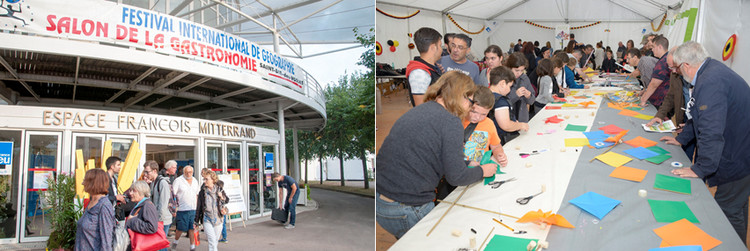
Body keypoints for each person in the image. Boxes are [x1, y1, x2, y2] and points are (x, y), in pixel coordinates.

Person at [376, 71, 498, 239]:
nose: (470, 108)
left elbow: (429, 153)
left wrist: (464, 160)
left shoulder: (421, 110)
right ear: (461, 96)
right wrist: (483, 171)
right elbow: (456, 177)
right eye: (470, 102)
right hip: (407, 208)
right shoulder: (451, 121)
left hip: (381, 203)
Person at [659, 41, 750, 243]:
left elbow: (711, 130)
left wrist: (700, 169)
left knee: (727, 210)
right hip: (742, 149)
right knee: (739, 205)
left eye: (676, 69)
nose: (676, 73)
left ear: (686, 65)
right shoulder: (710, 71)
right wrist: (681, 140)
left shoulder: (710, 82)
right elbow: (697, 116)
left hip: (738, 155)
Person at [645, 47, 695, 161]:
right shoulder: (675, 73)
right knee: (684, 151)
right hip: (685, 118)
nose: (672, 71)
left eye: (674, 67)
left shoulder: (698, 78)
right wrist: (659, 115)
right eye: (670, 67)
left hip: (699, 119)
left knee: (698, 153)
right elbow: (670, 96)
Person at [463, 86, 508, 167]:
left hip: (482, 169)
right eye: (473, 111)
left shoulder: (489, 124)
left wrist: (499, 154)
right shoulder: (458, 121)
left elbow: (496, 146)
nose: (477, 117)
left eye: (484, 114)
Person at [75, 168, 115, 251]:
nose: (83, 183)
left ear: (94, 183)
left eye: (85, 180)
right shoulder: (92, 202)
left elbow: (106, 240)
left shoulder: (103, 205)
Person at [488, 67, 529, 144]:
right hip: (501, 139)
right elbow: (506, 125)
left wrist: (514, 122)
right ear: (502, 83)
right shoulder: (500, 101)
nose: (509, 90)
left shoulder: (487, 94)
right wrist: (521, 125)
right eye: (509, 86)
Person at [406, 27, 443, 107]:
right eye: (440, 46)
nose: (441, 50)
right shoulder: (419, 73)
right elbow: (421, 107)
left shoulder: (431, 68)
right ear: (433, 47)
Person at [195, 169, 229, 251]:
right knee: (211, 241)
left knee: (215, 241)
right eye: (204, 179)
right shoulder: (202, 192)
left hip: (218, 219)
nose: (204, 181)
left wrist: (221, 197)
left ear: (213, 180)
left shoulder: (219, 189)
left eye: (206, 179)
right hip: (207, 219)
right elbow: (199, 207)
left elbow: (226, 200)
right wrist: (196, 221)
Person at [144, 160, 172, 251]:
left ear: (155, 171)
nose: (146, 174)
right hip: (157, 219)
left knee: (161, 246)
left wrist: (158, 221)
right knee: (158, 245)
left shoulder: (162, 183)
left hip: (162, 220)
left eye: (147, 172)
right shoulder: (153, 183)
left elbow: (163, 204)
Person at [171, 165, 200, 251]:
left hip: (193, 209)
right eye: (186, 172)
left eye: (190, 172)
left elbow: (196, 195)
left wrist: (197, 208)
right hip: (182, 209)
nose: (188, 174)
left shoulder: (195, 181)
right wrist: (174, 208)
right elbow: (173, 195)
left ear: (193, 172)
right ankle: (175, 243)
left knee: (192, 228)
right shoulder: (178, 181)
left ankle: (192, 246)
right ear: (183, 172)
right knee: (180, 229)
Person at [126, 181, 160, 251]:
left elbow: (152, 227)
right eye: (130, 190)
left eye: (134, 191)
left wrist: (132, 220)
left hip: (142, 246)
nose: (130, 193)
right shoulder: (141, 204)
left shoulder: (147, 205)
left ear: (142, 192)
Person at [639, 35, 670, 108]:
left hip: (661, 101)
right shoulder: (666, 58)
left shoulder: (663, 62)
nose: (652, 50)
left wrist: (643, 99)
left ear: (660, 47)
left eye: (653, 47)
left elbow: (654, 84)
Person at [505, 52, 536, 124]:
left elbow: (532, 101)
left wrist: (529, 96)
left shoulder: (525, 78)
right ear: (509, 67)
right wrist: (516, 95)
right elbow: (502, 102)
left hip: (522, 120)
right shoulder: (503, 79)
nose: (519, 73)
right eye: (516, 70)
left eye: (522, 70)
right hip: (508, 120)